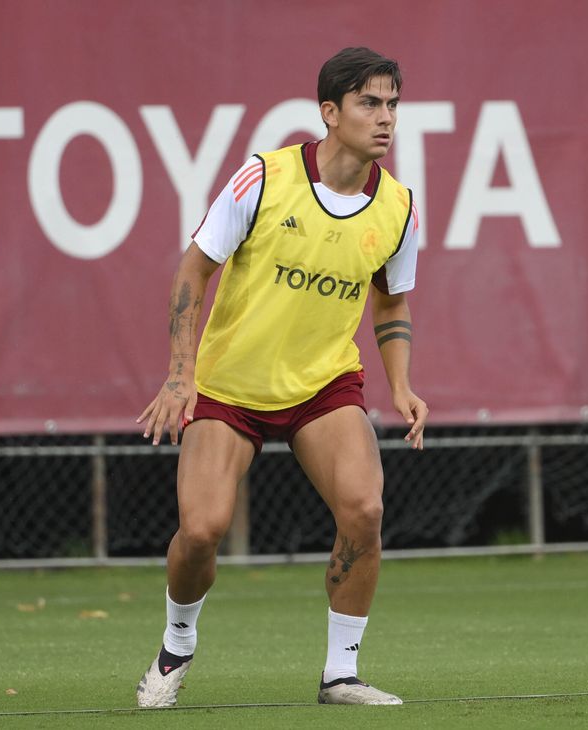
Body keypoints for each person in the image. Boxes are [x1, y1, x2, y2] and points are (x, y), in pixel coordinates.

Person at [134, 47, 427, 708]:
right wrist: (181, 377)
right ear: (330, 112)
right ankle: (177, 644)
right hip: (230, 387)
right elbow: (193, 269)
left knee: (365, 508)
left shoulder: (399, 208)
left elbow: (392, 300)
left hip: (324, 385)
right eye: (369, 104)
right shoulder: (264, 178)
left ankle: (340, 675)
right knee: (202, 530)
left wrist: (401, 385)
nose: (385, 119)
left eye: (392, 105)